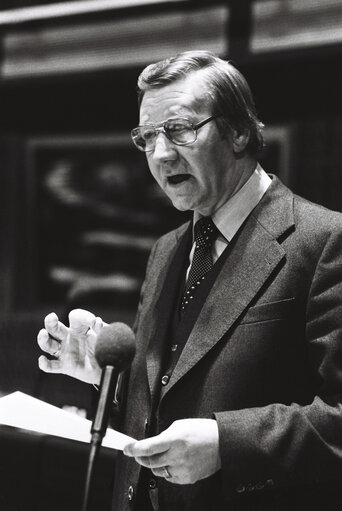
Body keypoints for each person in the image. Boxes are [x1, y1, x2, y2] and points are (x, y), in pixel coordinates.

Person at [37, 51, 342, 511]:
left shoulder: (323, 241)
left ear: (239, 131)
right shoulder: (166, 250)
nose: (160, 155)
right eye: (147, 137)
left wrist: (226, 442)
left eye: (179, 130)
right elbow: (166, 402)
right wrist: (110, 381)